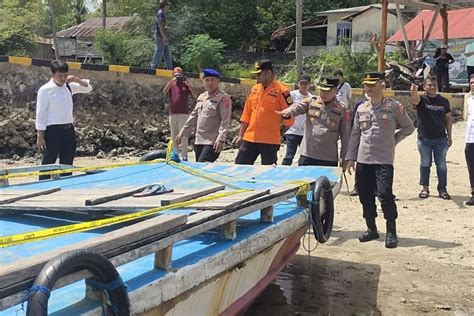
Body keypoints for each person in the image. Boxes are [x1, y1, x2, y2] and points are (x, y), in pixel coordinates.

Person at [345, 71, 415, 249]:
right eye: (366, 84)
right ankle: (371, 228)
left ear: (382, 86)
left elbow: (409, 127)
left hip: (383, 159)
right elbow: (355, 134)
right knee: (365, 195)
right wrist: (350, 158)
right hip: (363, 159)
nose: (367, 87)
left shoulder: (394, 106)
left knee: (385, 195)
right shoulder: (361, 108)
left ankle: (391, 231)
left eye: (372, 84)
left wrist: (394, 140)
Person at [35, 60, 93, 180]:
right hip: (52, 130)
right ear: (53, 74)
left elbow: (88, 88)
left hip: (68, 129)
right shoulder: (45, 90)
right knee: (49, 160)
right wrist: (40, 136)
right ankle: (43, 185)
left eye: (65, 75)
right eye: (59, 76)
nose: (62, 78)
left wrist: (76, 79)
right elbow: (41, 113)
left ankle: (66, 185)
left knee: (67, 161)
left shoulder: (69, 86)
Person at [276, 76, 351, 167]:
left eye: (327, 91)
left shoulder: (342, 109)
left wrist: (345, 158)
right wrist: (288, 112)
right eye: (322, 90)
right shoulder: (311, 101)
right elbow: (297, 107)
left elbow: (345, 136)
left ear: (335, 90)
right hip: (307, 155)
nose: (323, 94)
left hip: (328, 158)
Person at [234, 60, 294, 165]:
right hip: (250, 138)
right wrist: (240, 135)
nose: (257, 77)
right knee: (240, 166)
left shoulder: (282, 91)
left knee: (268, 171)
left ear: (269, 73)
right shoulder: (254, 89)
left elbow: (289, 118)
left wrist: (279, 134)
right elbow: (246, 114)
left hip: (270, 141)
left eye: (259, 74)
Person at [410, 77, 453, 200]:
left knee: (441, 165)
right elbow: (414, 99)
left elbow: (449, 119)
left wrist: (450, 136)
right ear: (424, 87)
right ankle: (425, 188)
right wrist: (413, 90)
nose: (432, 87)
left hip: (441, 139)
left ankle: (442, 189)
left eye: (434, 85)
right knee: (425, 163)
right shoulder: (422, 100)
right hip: (424, 138)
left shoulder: (444, 101)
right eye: (429, 85)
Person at [176, 69, 232, 163]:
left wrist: (221, 139)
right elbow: (193, 116)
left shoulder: (223, 98)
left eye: (213, 80)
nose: (210, 83)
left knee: (202, 165)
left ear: (218, 82)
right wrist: (183, 132)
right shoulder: (202, 97)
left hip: (213, 142)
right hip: (199, 140)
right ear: (203, 82)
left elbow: (225, 121)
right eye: (207, 80)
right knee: (200, 168)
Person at [163, 67, 196, 161]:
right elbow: (164, 92)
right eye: (176, 74)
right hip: (172, 113)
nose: (178, 77)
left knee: (184, 136)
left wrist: (189, 85)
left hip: (183, 114)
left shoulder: (185, 85)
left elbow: (194, 95)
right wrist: (171, 82)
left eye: (179, 75)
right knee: (174, 135)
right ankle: (176, 155)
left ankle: (185, 156)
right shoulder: (171, 84)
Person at [281, 74, 313, 165]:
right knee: (289, 155)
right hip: (292, 130)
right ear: (298, 84)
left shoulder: (312, 98)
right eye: (302, 83)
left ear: (309, 85)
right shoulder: (292, 95)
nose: (304, 86)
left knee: (305, 156)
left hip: (304, 132)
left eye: (306, 83)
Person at [349, 93, 369, 196]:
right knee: (360, 163)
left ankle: (376, 188)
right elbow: (353, 120)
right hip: (361, 137)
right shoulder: (360, 104)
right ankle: (357, 187)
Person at [150, 1, 172, 70]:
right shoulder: (160, 13)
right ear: (164, 5)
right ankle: (153, 67)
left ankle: (170, 68)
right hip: (160, 36)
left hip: (162, 36)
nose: (168, 7)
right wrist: (164, 36)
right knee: (159, 51)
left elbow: (163, 26)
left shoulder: (162, 13)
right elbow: (160, 25)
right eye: (168, 6)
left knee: (166, 53)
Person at [465, 74, 474, 205]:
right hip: (470, 138)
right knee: (471, 166)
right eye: (471, 82)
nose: (473, 84)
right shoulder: (469, 99)